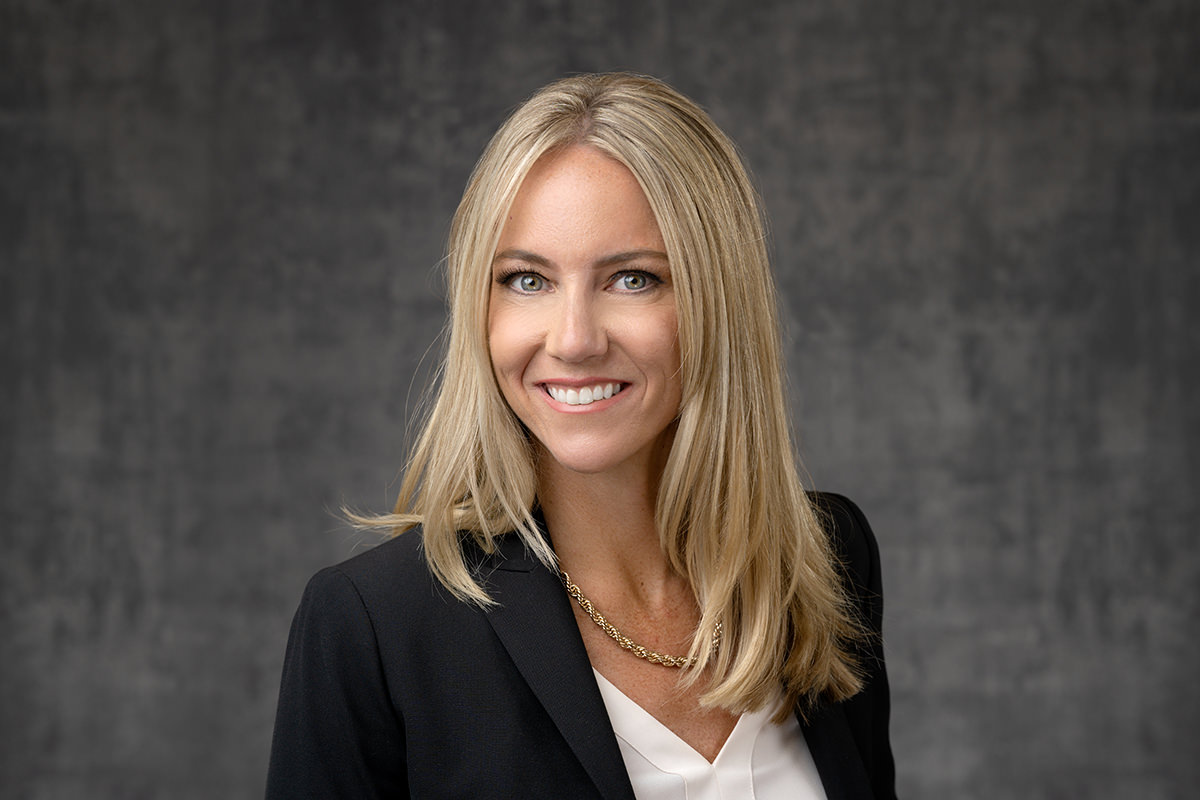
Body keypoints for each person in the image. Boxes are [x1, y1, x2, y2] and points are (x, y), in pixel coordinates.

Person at [266, 72, 896, 799]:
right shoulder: (375, 625)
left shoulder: (825, 556)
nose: (572, 340)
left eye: (631, 279)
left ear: (719, 299)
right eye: (527, 280)